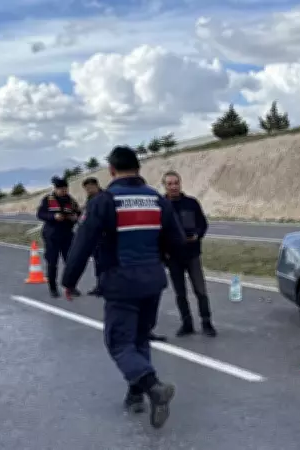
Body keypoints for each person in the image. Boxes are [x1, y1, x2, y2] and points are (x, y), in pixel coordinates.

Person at [61, 146, 187, 429]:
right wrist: (162, 263)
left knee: (119, 342)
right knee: (140, 339)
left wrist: (69, 281)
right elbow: (178, 241)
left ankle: (153, 387)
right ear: (138, 168)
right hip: (153, 281)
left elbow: (82, 243)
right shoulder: (157, 199)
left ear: (111, 170)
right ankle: (135, 395)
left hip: (121, 282)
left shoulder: (104, 201)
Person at [161, 170, 216, 338]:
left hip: (192, 254)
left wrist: (197, 235)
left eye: (176, 183)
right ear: (164, 186)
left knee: (200, 290)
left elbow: (203, 224)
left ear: (180, 183)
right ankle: (187, 324)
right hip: (173, 257)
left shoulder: (191, 203)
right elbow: (158, 232)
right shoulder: (161, 206)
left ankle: (206, 322)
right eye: (169, 184)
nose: (173, 186)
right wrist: (163, 254)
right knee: (180, 293)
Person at [36, 176, 82, 298]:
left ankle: (71, 287)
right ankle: (53, 288)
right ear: (56, 189)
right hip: (52, 236)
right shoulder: (48, 200)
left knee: (70, 262)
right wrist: (53, 217)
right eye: (61, 189)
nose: (64, 191)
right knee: (52, 263)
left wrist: (75, 217)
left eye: (65, 189)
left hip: (67, 235)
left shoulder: (71, 201)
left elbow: (79, 213)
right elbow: (40, 214)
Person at [81, 177, 104, 296]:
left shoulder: (104, 198)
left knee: (105, 263)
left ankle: (105, 286)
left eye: (90, 188)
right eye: (86, 189)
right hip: (94, 237)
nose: (88, 190)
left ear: (96, 185)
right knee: (98, 262)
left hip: (104, 236)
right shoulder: (90, 198)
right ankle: (100, 286)